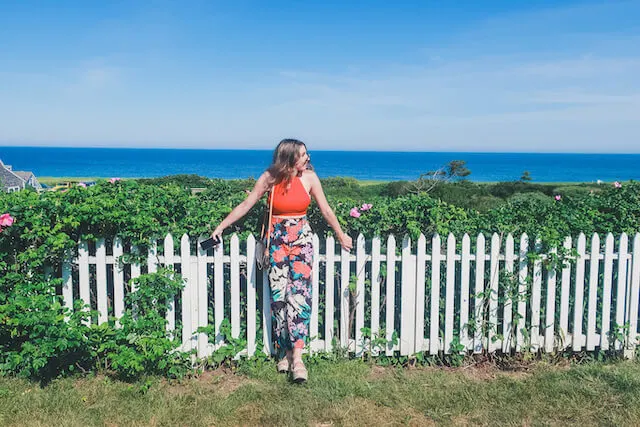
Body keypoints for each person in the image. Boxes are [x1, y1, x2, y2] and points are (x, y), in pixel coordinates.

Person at [211, 138, 353, 382]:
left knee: (299, 296)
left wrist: (341, 234)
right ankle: (284, 352)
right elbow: (247, 204)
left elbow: (326, 210)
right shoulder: (270, 178)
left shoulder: (309, 178)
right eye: (303, 155)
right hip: (276, 242)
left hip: (301, 241)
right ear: (289, 158)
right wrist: (221, 226)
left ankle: (298, 358)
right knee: (278, 297)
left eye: (307, 154)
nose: (308, 158)